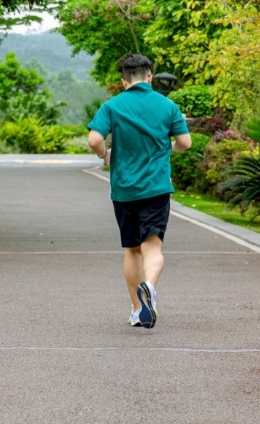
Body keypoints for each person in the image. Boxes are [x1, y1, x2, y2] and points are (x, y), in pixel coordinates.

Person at [87, 53, 191, 329]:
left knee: (132, 249)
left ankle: (136, 309)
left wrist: (104, 155)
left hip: (124, 189)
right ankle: (150, 286)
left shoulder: (112, 106)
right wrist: (168, 149)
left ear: (124, 82)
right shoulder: (167, 105)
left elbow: (94, 139)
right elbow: (185, 142)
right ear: (150, 77)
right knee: (153, 245)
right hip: (156, 187)